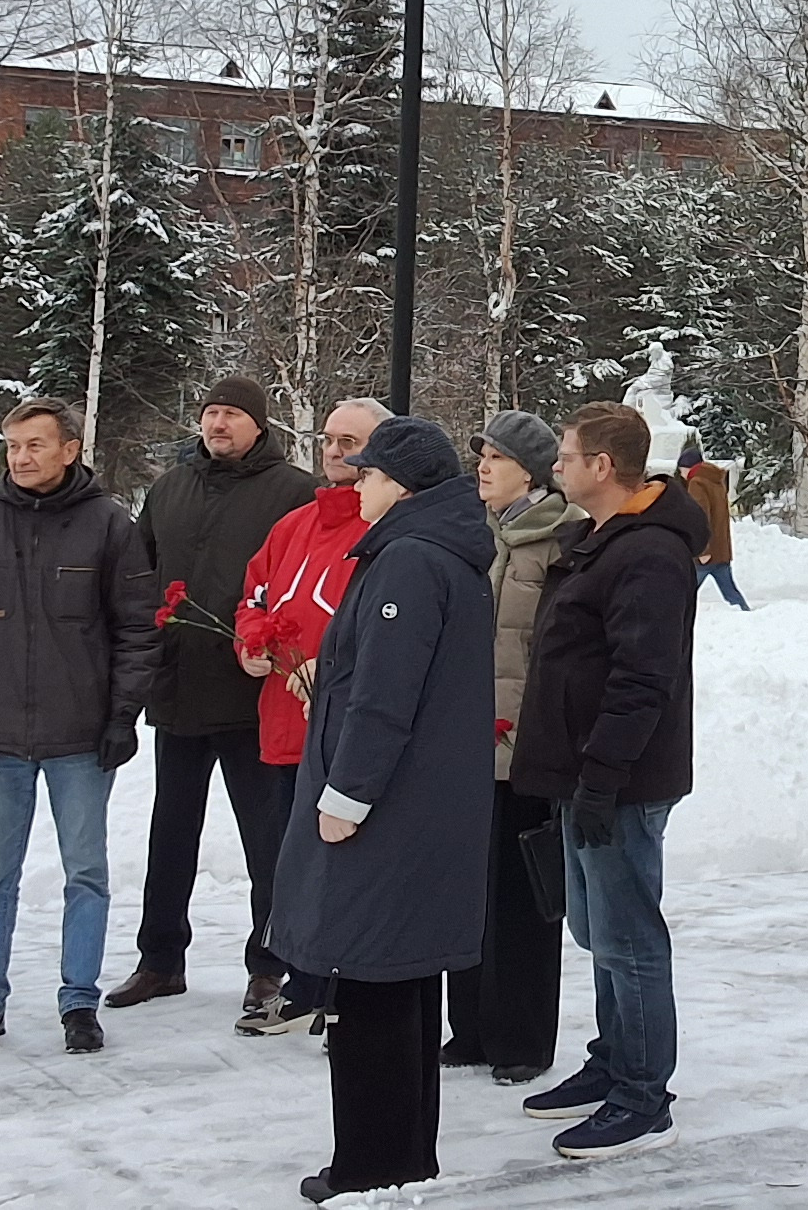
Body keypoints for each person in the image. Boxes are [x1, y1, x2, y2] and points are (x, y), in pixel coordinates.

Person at [266, 415, 498, 1203]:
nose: (353, 481)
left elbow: (386, 696)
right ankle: (403, 1154)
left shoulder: (408, 559)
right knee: (404, 983)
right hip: (418, 806)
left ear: (399, 485)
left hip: (390, 811)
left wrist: (348, 794)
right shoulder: (435, 552)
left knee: (370, 985)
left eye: (365, 472)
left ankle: (371, 1164)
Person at [0, 397, 159, 1058]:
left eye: (35, 445)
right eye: (13, 446)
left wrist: (122, 714)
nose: (21, 458)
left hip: (81, 737)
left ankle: (79, 1000)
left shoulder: (109, 525)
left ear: (69, 450)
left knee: (85, 873)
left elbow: (138, 629)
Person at [510, 402, 708, 1161]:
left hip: (620, 778)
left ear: (601, 465)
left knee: (628, 939)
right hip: (583, 771)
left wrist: (602, 776)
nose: (555, 467)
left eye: (565, 456)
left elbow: (641, 679)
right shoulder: (600, 539)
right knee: (597, 932)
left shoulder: (649, 552)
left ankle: (644, 1096)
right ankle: (613, 1060)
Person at [107, 376, 317, 1021]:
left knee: (267, 841)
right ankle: (160, 960)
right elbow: (140, 575)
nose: (218, 423)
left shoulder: (293, 492)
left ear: (259, 424)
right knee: (170, 834)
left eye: (231, 414)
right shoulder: (170, 487)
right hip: (177, 688)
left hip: (251, 696)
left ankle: (269, 964)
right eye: (211, 412)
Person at [230, 395, 385, 1034]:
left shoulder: (383, 530)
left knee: (343, 864)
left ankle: (343, 989)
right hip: (283, 724)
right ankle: (298, 980)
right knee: (286, 862)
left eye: (350, 441)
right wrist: (252, 644)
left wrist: (332, 668)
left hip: (345, 731)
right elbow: (255, 596)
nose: (335, 451)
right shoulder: (293, 526)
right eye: (328, 439)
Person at [442, 410, 572, 1083]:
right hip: (466, 744)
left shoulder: (561, 538)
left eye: (496, 457)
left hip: (526, 746)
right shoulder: (476, 534)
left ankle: (521, 1039)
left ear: (531, 471)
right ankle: (470, 1027)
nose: (483, 467)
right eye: (481, 455)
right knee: (466, 892)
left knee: (521, 899)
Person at [678, 440, 746, 611]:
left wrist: (703, 550)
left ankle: (670, 618)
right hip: (720, 549)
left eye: (682, 469)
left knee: (684, 591)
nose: (680, 473)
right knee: (730, 592)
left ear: (689, 467)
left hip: (706, 554)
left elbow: (700, 519)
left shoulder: (697, 484)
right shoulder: (714, 480)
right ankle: (746, 614)